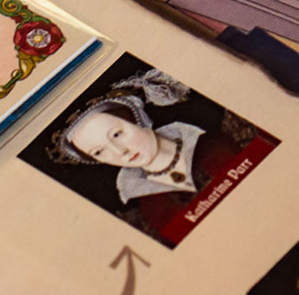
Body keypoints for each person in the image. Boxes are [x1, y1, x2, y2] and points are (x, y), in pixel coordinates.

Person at [48, 68, 267, 238]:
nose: (120, 151)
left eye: (116, 134)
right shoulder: (142, 213)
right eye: (99, 151)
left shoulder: (229, 132)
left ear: (138, 118)